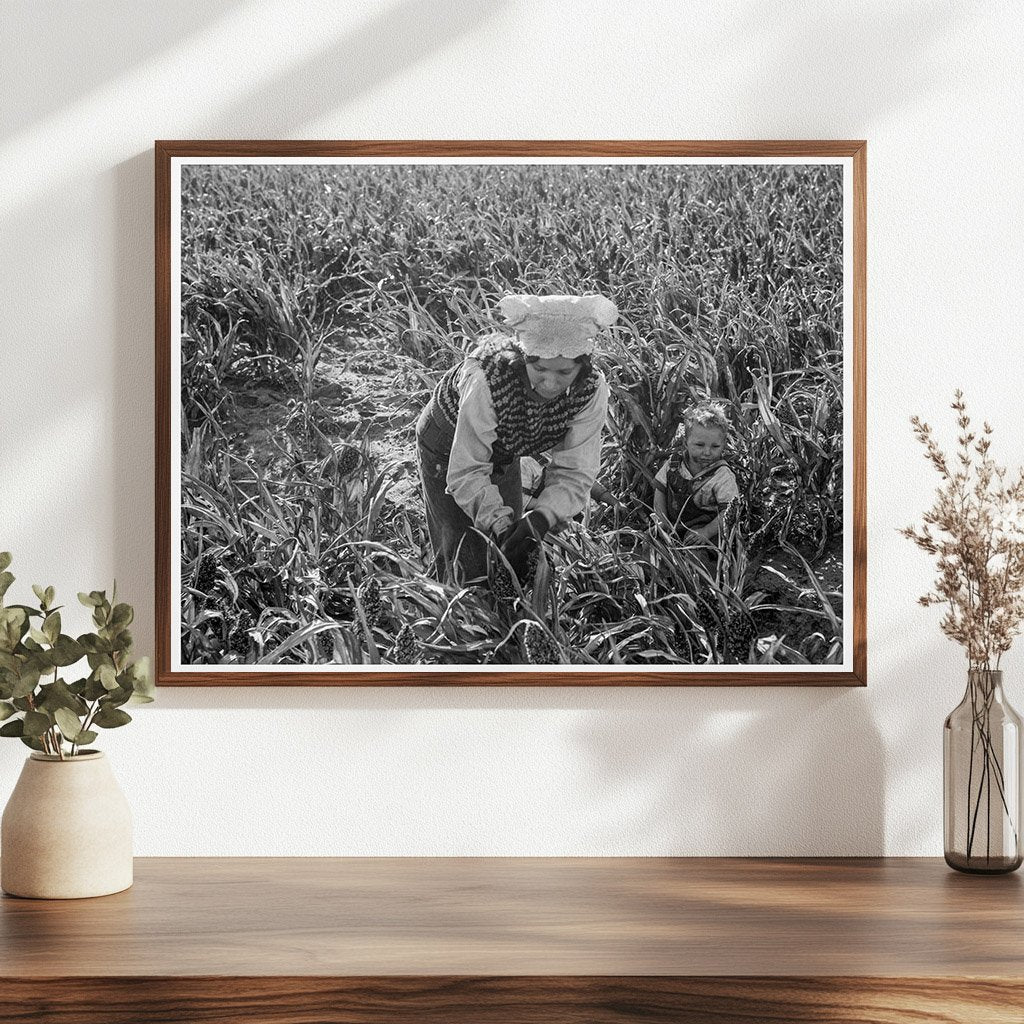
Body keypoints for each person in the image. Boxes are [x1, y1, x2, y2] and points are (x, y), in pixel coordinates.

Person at [416, 293, 617, 584]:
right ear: (523, 359)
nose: (550, 382)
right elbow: (467, 471)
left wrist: (543, 517)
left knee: (509, 552)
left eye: (564, 372)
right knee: (465, 564)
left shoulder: (591, 390)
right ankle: (451, 615)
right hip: (447, 445)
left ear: (582, 365)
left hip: (507, 450)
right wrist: (498, 523)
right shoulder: (487, 380)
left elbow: (575, 469)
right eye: (540, 369)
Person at [653, 401, 739, 548]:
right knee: (649, 540)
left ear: (724, 444)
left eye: (715, 446)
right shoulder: (674, 465)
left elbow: (729, 511)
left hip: (708, 530)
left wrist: (705, 532)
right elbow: (660, 490)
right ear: (686, 443)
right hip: (674, 524)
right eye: (699, 445)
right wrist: (661, 522)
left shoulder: (722, 475)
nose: (707, 452)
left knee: (697, 552)